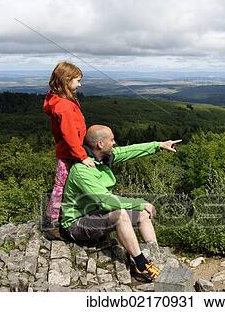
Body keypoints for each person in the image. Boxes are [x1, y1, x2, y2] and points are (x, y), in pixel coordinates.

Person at [60, 125, 181, 282]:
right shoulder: (82, 171)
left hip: (95, 214)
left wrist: (158, 145)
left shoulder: (103, 158)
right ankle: (141, 265)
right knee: (121, 215)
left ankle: (155, 253)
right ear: (100, 144)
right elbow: (106, 201)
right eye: (111, 139)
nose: (115, 142)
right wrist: (140, 203)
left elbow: (129, 150)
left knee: (143, 215)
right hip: (76, 223)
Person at [43, 61, 96, 239]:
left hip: (69, 152)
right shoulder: (64, 106)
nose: (79, 84)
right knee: (60, 187)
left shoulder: (61, 100)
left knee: (64, 186)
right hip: (69, 153)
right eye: (77, 80)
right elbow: (70, 135)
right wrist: (82, 156)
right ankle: (51, 225)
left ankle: (64, 218)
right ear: (66, 79)